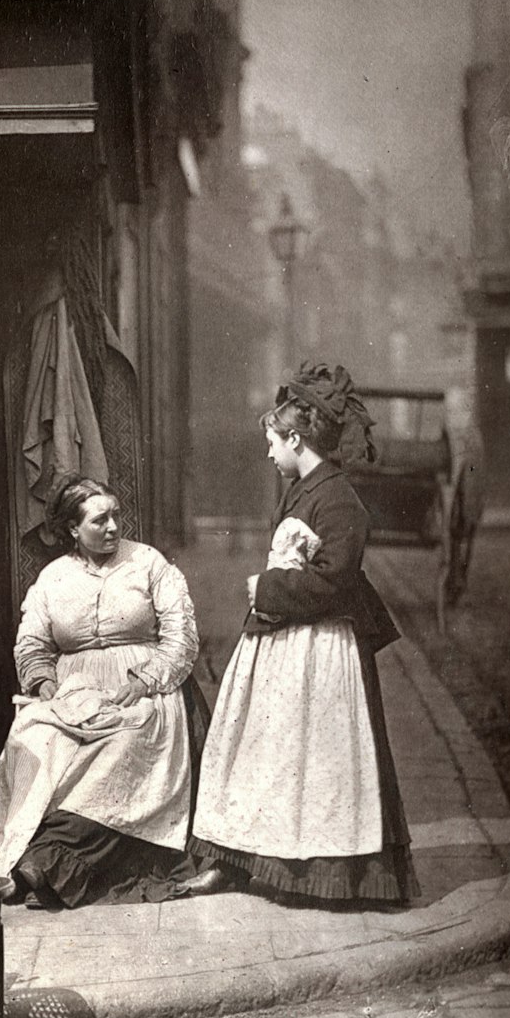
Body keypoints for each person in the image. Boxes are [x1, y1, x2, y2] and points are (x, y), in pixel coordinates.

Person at [189, 362, 420, 907]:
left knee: (321, 759)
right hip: (284, 644)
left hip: (321, 648)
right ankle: (242, 858)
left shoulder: (340, 500)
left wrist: (266, 589)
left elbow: (335, 581)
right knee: (269, 748)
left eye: (272, 442)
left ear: (296, 438)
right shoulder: (304, 488)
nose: (269, 453)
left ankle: (331, 873)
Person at [0, 474, 200, 908]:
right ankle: (29, 861)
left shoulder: (148, 563)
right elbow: (31, 643)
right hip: (71, 692)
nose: (113, 527)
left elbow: (181, 637)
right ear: (72, 529)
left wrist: (143, 680)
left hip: (144, 689)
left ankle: (42, 864)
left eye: (115, 516)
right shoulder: (53, 578)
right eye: (99, 520)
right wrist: (45, 682)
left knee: (123, 744)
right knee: (33, 740)